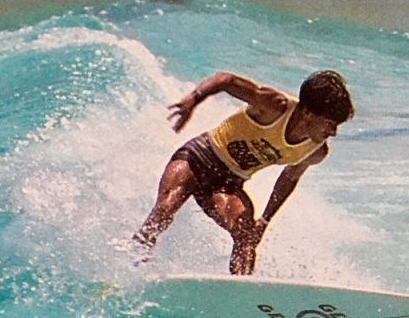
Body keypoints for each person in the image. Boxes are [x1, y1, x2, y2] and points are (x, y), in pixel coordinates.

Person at [133, 70, 355, 275]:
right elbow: (226, 80)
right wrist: (194, 98)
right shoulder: (273, 106)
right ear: (307, 112)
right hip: (199, 157)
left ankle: (241, 290)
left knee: (247, 236)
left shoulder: (315, 151)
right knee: (164, 209)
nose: (333, 132)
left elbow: (288, 179)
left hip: (228, 183)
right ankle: (134, 259)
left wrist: (265, 221)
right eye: (329, 124)